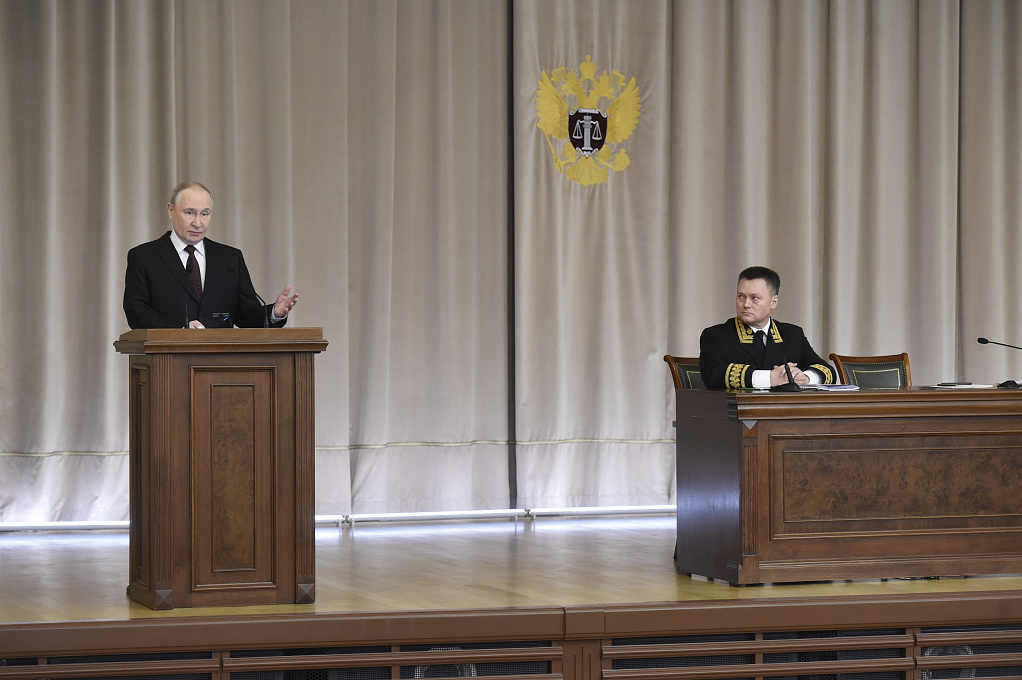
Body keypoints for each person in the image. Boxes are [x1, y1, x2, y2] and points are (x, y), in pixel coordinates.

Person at [123, 181, 298, 329]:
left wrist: (274, 313)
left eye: (204, 214)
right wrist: (180, 328)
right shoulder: (144, 257)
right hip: (166, 355)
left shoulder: (230, 258)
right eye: (189, 213)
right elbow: (136, 312)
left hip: (219, 357)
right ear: (171, 210)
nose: (197, 223)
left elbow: (245, 315)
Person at [699, 266, 835, 389]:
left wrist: (805, 378)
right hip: (740, 408)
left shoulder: (792, 334)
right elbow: (712, 374)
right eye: (741, 296)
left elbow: (828, 371)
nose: (746, 304)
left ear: (773, 302)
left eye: (754, 298)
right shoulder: (716, 335)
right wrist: (770, 378)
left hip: (786, 408)